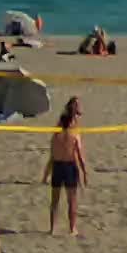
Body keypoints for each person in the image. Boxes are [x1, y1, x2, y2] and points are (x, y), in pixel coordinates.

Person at [44, 100, 87, 236]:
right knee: (69, 200)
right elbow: (78, 154)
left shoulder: (59, 131)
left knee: (59, 200)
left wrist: (46, 173)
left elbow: (53, 154)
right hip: (66, 166)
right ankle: (69, 228)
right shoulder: (72, 131)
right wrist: (84, 172)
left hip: (61, 165)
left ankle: (57, 228)